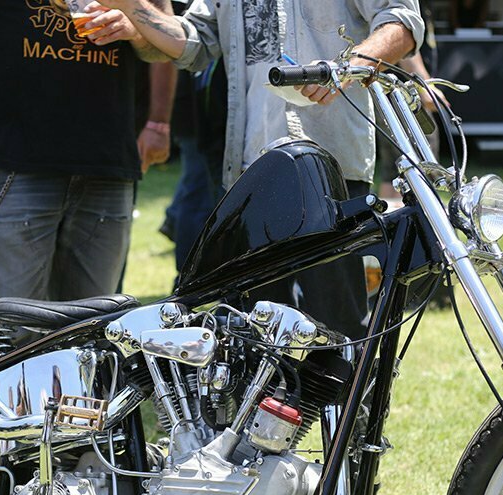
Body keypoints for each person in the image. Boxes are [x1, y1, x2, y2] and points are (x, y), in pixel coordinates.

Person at [89, 0, 424, 338]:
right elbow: (195, 41)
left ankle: (345, 391)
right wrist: (132, 7)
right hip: (253, 170)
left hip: (330, 164)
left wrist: (345, 67)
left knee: (338, 323)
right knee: (257, 325)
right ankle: (274, 392)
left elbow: (403, 22)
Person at [0, 0, 174, 302]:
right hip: (20, 164)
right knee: (15, 330)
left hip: (107, 164)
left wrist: (135, 31)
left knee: (91, 333)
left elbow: (167, 45)